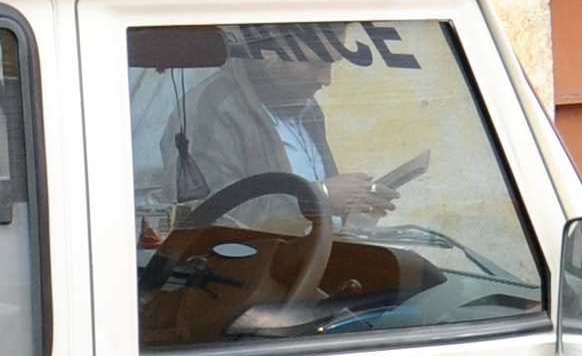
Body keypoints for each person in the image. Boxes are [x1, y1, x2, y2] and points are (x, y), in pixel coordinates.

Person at [133, 29, 392, 230]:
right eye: (316, 63)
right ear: (270, 52)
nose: (326, 79)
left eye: (332, 63)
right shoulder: (211, 109)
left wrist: (354, 207)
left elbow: (322, 205)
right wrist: (320, 197)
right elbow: (213, 218)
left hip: (311, 263)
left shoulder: (306, 108)